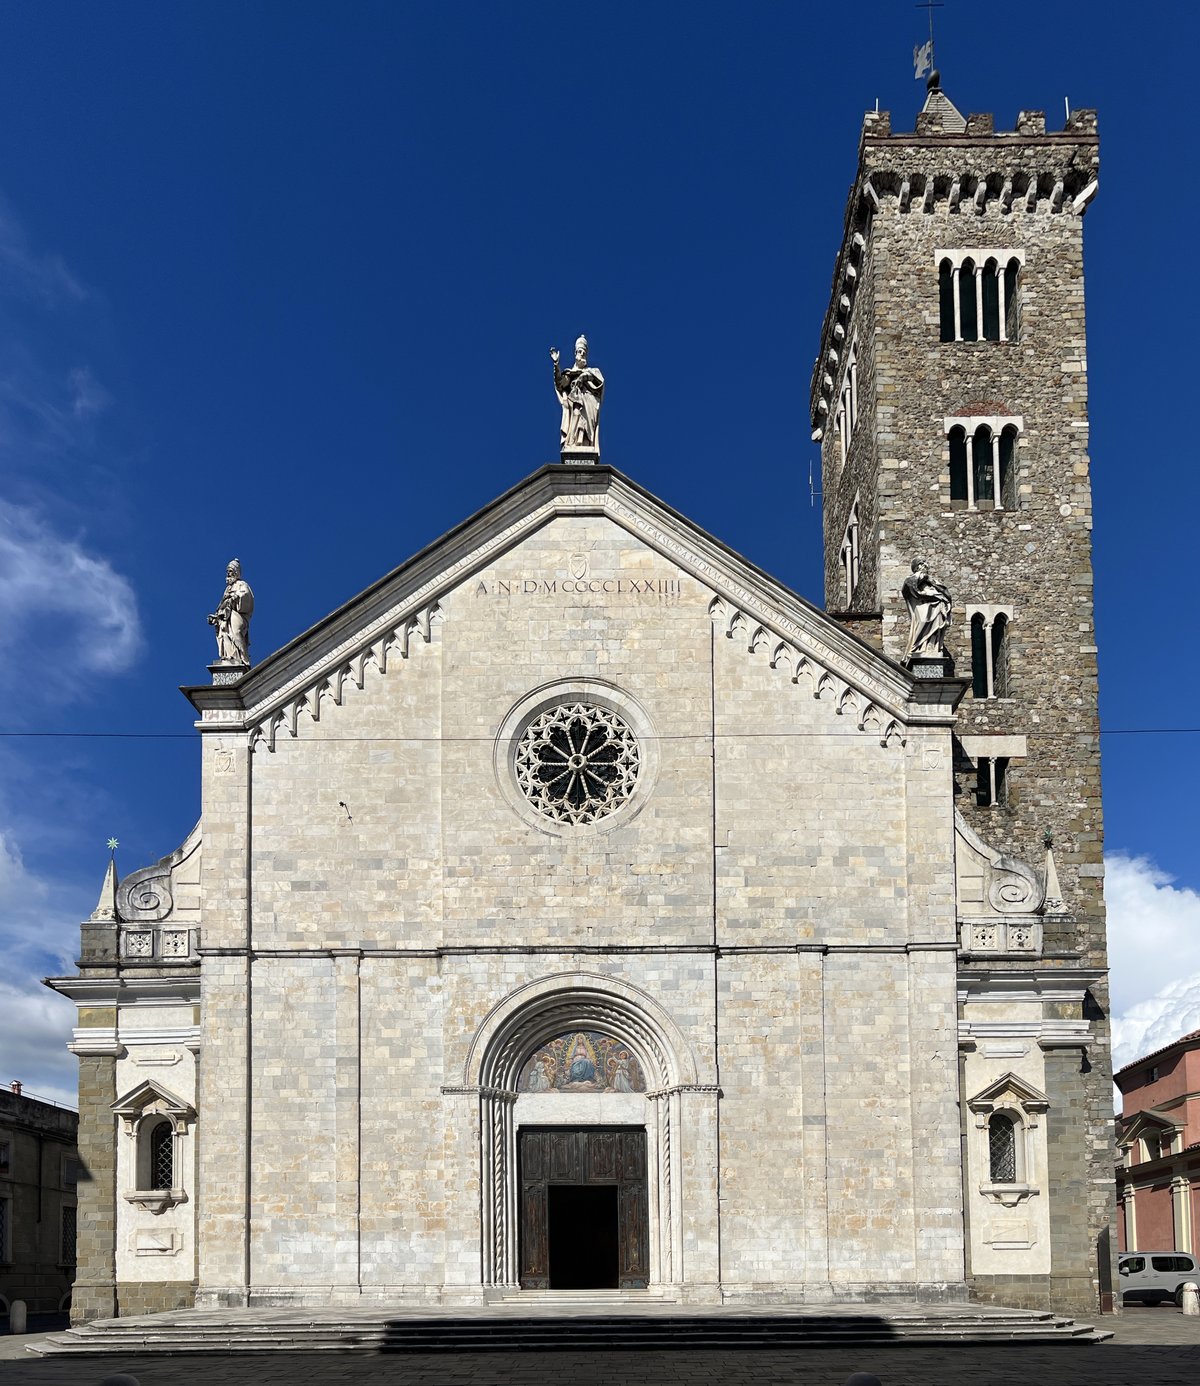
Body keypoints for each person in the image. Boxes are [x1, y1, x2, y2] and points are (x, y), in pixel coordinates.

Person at [551, 336, 604, 453]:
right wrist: (556, 365)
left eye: (584, 352)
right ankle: (572, 441)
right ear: (575, 353)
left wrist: (584, 377)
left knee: (586, 428)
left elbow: (600, 381)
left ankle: (583, 443)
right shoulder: (570, 373)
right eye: (580, 351)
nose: (582, 354)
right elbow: (560, 383)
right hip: (575, 402)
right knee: (576, 413)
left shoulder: (593, 371)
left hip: (589, 403)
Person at [901, 558, 951, 660]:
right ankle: (917, 647)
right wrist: (921, 579)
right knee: (922, 622)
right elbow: (910, 587)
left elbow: (945, 593)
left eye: (925, 565)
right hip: (921, 607)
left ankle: (930, 647)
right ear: (917, 567)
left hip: (935, 608)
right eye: (921, 565)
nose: (924, 566)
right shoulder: (911, 579)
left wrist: (932, 586)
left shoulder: (931, 580)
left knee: (935, 628)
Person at [209, 559, 254, 665]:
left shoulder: (241, 584)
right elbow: (221, 605)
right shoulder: (228, 589)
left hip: (236, 614)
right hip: (225, 617)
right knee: (225, 634)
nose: (228, 574)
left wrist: (234, 597)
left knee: (236, 633)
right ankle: (229, 657)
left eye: (230, 571)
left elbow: (246, 595)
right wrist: (216, 617)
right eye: (227, 571)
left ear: (235, 572)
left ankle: (243, 658)